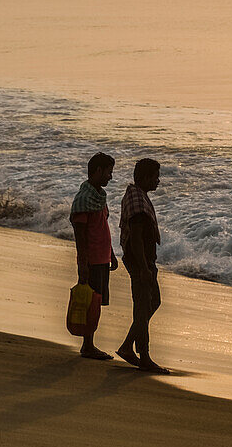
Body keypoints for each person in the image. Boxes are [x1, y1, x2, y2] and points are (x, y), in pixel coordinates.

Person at [117, 158, 169, 374]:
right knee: (143, 305)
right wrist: (144, 268)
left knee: (151, 302)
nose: (158, 181)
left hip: (143, 261)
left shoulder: (137, 196)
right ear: (146, 177)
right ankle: (143, 355)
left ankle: (128, 346)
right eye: (155, 176)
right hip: (141, 261)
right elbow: (137, 238)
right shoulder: (138, 202)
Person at [69, 151, 118, 360]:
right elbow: (80, 234)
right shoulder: (83, 198)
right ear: (98, 170)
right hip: (92, 260)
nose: (110, 177)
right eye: (108, 172)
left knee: (96, 302)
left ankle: (89, 344)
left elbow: (103, 226)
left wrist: (112, 254)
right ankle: (88, 346)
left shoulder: (99, 197)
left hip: (102, 257)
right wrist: (83, 263)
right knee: (91, 303)